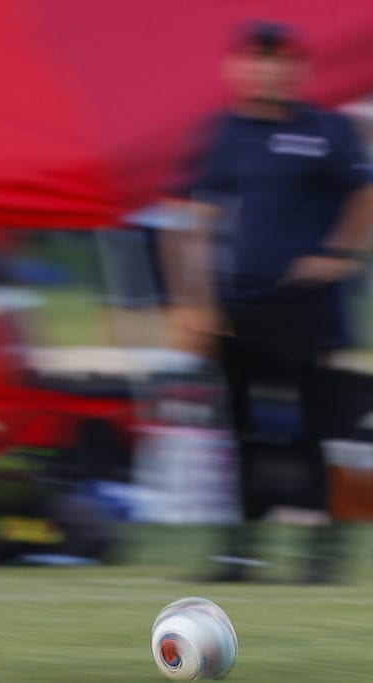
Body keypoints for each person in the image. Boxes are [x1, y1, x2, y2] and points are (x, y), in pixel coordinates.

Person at [168, 22, 373, 583]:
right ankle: (239, 551)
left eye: (281, 61)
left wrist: (337, 252)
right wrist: (197, 302)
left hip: (308, 307)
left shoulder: (327, 128)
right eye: (257, 60)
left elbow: (365, 192)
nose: (269, 70)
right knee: (242, 431)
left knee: (313, 427)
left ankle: (322, 555)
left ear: (299, 71)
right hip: (238, 308)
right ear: (237, 68)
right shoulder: (224, 133)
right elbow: (200, 220)